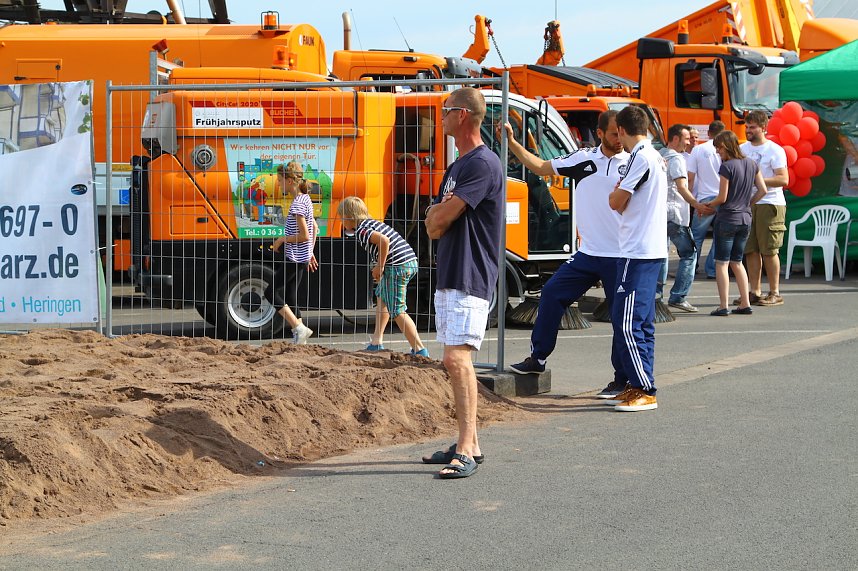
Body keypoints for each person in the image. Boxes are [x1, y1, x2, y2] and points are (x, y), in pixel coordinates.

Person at [505, 110, 632, 400]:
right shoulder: (584, 159)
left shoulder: (635, 161)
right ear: (600, 133)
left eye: (622, 133)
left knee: (619, 317)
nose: (619, 139)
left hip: (621, 254)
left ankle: (621, 379)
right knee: (551, 293)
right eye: (614, 133)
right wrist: (512, 141)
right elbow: (539, 167)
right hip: (588, 252)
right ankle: (537, 359)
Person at [422, 87, 503, 479]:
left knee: (458, 358)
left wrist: (437, 215)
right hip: (454, 270)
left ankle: (469, 446)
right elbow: (436, 224)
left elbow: (436, 222)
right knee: (453, 358)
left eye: (445, 110)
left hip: (470, 273)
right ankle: (465, 442)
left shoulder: (481, 165)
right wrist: (437, 216)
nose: (440, 117)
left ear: (464, 116)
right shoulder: (459, 165)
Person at [606, 105, 667, 412]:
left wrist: (616, 193)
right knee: (641, 322)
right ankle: (638, 383)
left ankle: (644, 387)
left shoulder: (639, 157)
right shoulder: (654, 155)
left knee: (626, 322)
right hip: (649, 248)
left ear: (622, 131)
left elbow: (616, 201)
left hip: (637, 250)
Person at [336, 196, 428, 357]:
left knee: (397, 310)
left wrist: (380, 265)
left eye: (342, 218)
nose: (341, 221)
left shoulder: (362, 231)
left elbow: (383, 241)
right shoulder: (371, 223)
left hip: (397, 266)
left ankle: (419, 349)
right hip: (408, 260)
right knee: (382, 297)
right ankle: (376, 341)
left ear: (350, 217)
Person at [698, 131, 767, 315]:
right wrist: (748, 203)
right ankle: (745, 302)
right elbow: (763, 190)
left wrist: (706, 205)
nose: (718, 152)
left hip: (727, 218)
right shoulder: (752, 164)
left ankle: (723, 305)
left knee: (722, 262)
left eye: (719, 148)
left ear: (726, 146)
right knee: (737, 262)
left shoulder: (727, 167)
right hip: (745, 218)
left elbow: (722, 197)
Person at [266, 161, 318, 344]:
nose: (279, 184)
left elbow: (304, 234)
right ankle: (300, 338)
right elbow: (315, 228)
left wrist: (281, 240)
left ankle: (298, 328)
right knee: (290, 295)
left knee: (270, 293)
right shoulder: (306, 199)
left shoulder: (297, 204)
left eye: (280, 180)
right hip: (301, 257)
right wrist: (310, 252)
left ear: (289, 180)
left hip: (295, 257)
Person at [741, 110, 788, 306]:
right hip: (748, 204)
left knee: (769, 250)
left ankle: (775, 292)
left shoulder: (774, 150)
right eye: (747, 126)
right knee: (750, 250)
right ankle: (755, 291)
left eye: (752, 127)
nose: (748, 130)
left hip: (770, 203)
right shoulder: (741, 148)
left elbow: (783, 179)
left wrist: (757, 179)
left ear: (763, 128)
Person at [658, 123, 702, 312]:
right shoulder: (676, 159)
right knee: (689, 254)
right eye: (685, 139)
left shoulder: (659, 155)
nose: (688, 143)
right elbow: (682, 187)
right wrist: (697, 204)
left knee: (661, 255)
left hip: (659, 213)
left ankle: (657, 296)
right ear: (675, 139)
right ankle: (678, 296)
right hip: (675, 214)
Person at [688, 121, 726, 279]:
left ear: (709, 133)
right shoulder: (726, 150)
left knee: (696, 235)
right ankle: (712, 269)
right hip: (723, 197)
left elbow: (690, 177)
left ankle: (690, 267)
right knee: (719, 237)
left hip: (704, 198)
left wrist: (690, 199)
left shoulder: (698, 150)